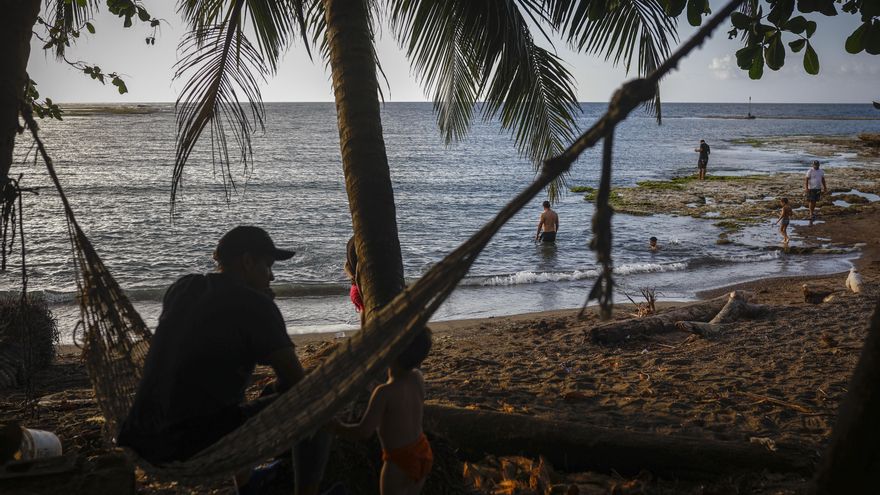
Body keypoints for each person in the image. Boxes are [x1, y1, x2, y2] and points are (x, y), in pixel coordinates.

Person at [117, 226, 331, 495]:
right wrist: (267, 312)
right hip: (193, 441)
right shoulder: (256, 305)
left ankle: (248, 484)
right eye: (268, 266)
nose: (272, 276)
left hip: (142, 433)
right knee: (319, 403)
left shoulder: (184, 287)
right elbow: (297, 382)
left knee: (244, 390)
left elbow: (206, 342)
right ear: (247, 261)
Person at [331, 328, 433, 495]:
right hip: (422, 452)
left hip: (398, 461)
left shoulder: (383, 393)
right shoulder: (417, 378)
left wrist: (336, 427)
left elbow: (364, 432)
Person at [344, 236, 365, 324]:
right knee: (364, 310)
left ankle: (364, 332)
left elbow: (345, 266)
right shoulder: (363, 242)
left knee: (362, 309)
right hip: (359, 288)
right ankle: (365, 333)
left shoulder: (351, 241)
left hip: (354, 288)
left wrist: (352, 277)